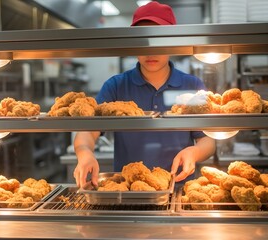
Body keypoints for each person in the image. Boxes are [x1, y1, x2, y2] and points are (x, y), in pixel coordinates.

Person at [73, 1, 216, 187]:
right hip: (128, 190)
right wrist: (85, 153)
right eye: (143, 41)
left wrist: (193, 153)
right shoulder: (116, 86)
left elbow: (207, 140)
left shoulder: (192, 85)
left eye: (159, 41)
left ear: (173, 42)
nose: (151, 51)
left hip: (179, 188)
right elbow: (87, 132)